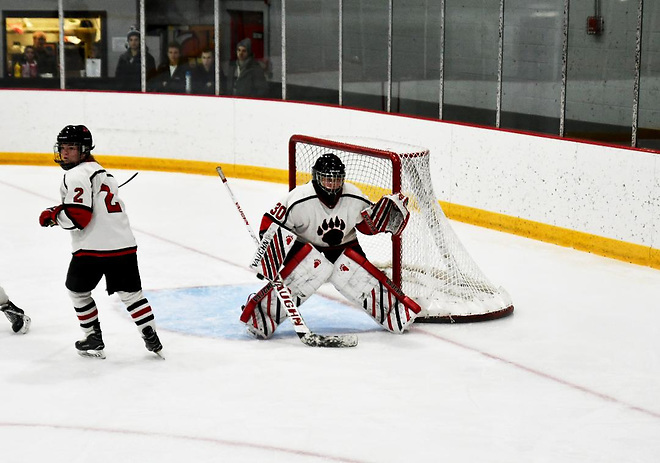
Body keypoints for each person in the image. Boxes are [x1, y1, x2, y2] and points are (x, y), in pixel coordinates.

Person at [240, 153, 421, 339]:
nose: (332, 185)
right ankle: (259, 316)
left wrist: (381, 220)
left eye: (336, 179)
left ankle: (396, 314)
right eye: (327, 179)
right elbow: (269, 224)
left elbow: (366, 226)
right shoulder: (299, 199)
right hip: (306, 249)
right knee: (304, 274)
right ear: (316, 177)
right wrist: (271, 255)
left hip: (345, 248)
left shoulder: (353, 195)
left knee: (360, 278)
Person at [38, 125, 163, 359]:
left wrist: (53, 216)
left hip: (91, 249)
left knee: (77, 291)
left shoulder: (75, 174)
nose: (65, 153)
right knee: (132, 295)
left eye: (71, 148)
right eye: (63, 147)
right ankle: (150, 333)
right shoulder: (104, 173)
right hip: (124, 244)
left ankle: (93, 338)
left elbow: (79, 217)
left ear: (84, 150)